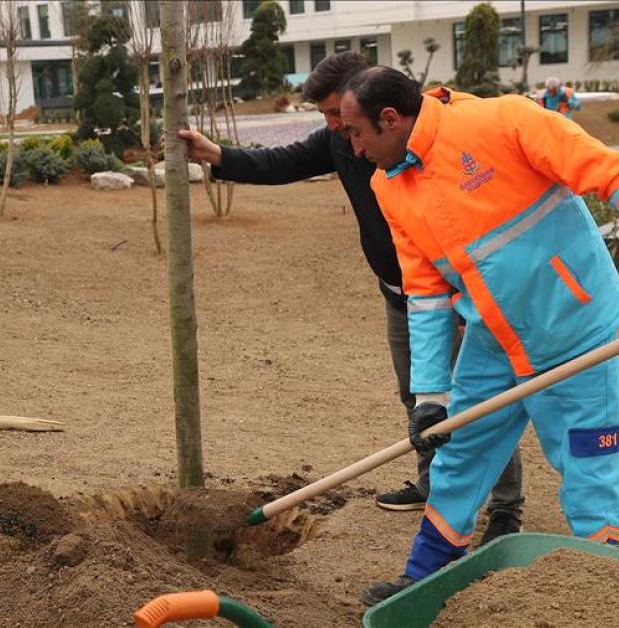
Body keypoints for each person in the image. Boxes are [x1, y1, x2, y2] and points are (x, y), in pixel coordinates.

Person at [337, 67, 619, 606]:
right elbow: (425, 291)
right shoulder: (390, 185)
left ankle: (608, 594)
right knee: (460, 455)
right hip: (493, 339)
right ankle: (424, 575)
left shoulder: (504, 120)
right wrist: (431, 395)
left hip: (575, 328)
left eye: (355, 132)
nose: (354, 150)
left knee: (589, 464)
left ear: (390, 119)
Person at [178, 52, 524, 542]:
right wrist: (217, 156)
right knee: (419, 395)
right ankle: (432, 482)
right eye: (325, 116)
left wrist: (476, 300)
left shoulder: (426, 137)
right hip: (400, 294)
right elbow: (284, 162)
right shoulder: (342, 141)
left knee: (478, 401)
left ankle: (507, 508)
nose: (332, 126)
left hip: (456, 296)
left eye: (334, 114)